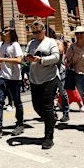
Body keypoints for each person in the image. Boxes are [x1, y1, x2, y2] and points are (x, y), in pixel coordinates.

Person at [0, 26, 25, 140]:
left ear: (11, 33)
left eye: (6, 30)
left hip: (15, 77)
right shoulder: (0, 45)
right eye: (3, 30)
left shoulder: (15, 45)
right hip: (3, 76)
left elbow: (19, 60)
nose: (3, 32)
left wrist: (3, 60)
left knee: (17, 101)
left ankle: (20, 124)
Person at [25, 20, 60, 150]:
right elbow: (25, 55)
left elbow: (56, 57)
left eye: (38, 31)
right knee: (36, 106)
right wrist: (26, 58)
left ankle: (48, 137)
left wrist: (42, 60)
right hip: (35, 78)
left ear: (44, 30)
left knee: (47, 106)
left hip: (49, 78)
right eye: (33, 32)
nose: (35, 34)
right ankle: (51, 120)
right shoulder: (31, 43)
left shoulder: (51, 42)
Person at [49, 28, 69, 123]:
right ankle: (53, 114)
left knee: (62, 92)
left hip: (59, 71)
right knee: (50, 93)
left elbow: (60, 51)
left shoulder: (58, 42)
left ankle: (66, 113)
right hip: (48, 71)